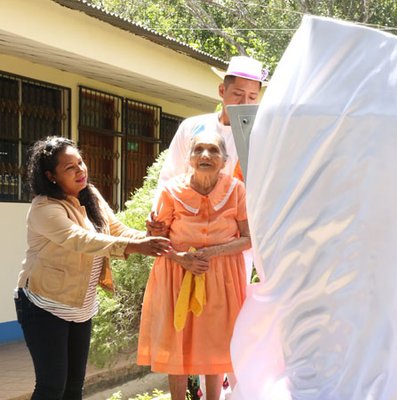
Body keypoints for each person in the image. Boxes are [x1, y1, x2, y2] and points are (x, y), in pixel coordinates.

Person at [13, 136, 171, 400]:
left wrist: (147, 237)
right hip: (43, 305)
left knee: (74, 386)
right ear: (51, 176)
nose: (81, 170)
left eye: (81, 162)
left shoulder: (90, 195)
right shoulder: (44, 208)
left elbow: (117, 230)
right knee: (52, 386)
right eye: (70, 167)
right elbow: (81, 240)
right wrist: (138, 246)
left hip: (81, 306)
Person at [137, 131, 252, 400]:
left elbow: (248, 238)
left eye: (213, 150)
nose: (205, 155)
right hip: (177, 274)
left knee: (214, 343)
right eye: (198, 150)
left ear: (224, 160)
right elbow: (157, 239)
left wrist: (211, 253)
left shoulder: (237, 190)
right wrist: (182, 258)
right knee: (176, 342)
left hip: (220, 276)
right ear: (188, 158)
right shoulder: (171, 190)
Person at [155, 55, 267, 200]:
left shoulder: (259, 136)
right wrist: (159, 213)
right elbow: (170, 176)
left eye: (252, 97)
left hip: (235, 218)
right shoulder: (191, 126)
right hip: (189, 214)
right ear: (222, 90)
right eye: (238, 94)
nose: (244, 102)